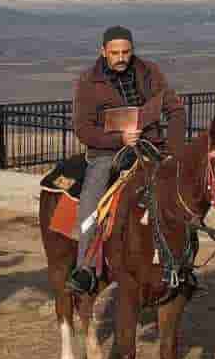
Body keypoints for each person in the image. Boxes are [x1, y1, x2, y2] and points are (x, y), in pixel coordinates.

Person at [67, 25, 187, 294]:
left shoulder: (150, 72)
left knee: (180, 197)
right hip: (107, 155)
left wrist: (174, 153)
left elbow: (176, 110)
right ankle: (85, 267)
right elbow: (83, 130)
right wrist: (119, 140)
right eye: (115, 53)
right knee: (91, 200)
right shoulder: (89, 81)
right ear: (103, 52)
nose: (121, 57)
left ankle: (182, 262)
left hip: (151, 149)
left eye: (126, 52)